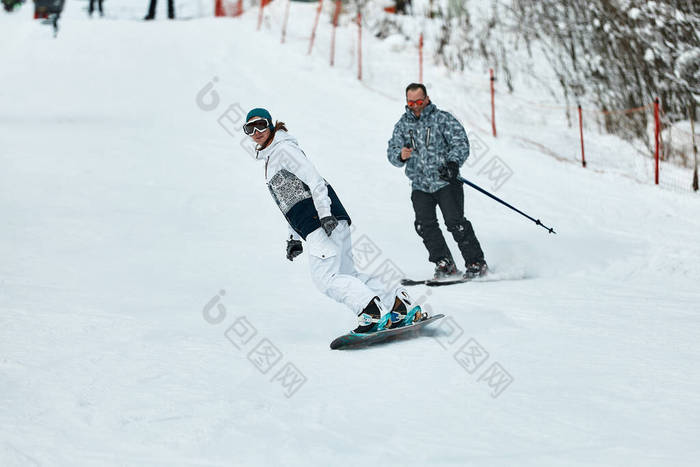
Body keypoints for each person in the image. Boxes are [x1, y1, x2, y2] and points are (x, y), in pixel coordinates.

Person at [244, 108, 423, 333]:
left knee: (325, 279)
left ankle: (371, 312)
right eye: (250, 128)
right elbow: (291, 200)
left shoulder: (284, 150)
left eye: (260, 124)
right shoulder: (273, 155)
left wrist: (325, 214)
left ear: (270, 124)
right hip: (322, 220)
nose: (257, 131)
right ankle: (400, 305)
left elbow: (315, 180)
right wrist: (293, 237)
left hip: (320, 221)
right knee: (347, 276)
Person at [387, 83, 487, 280]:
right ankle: (444, 262)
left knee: (455, 223)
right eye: (410, 102)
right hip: (420, 185)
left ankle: (476, 262)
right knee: (424, 225)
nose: (415, 105)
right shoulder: (402, 125)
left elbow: (461, 143)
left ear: (426, 99)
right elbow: (391, 152)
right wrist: (401, 155)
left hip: (445, 182)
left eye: (419, 101)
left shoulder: (442, 119)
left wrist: (452, 163)